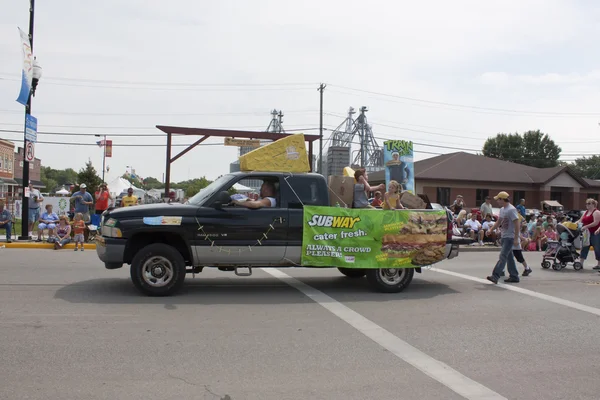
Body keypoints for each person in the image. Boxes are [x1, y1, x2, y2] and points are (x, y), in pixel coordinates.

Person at [486, 191, 521, 284]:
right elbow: (499, 221)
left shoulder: (511, 209)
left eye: (498, 199)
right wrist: (491, 230)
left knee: (503, 256)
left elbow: (517, 223)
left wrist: (516, 238)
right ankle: (514, 276)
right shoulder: (502, 209)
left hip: (510, 237)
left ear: (502, 199)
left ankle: (495, 276)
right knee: (509, 257)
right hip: (504, 236)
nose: (497, 201)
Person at [577, 198, 600, 270]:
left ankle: (599, 264)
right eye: (587, 203)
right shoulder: (585, 212)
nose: (587, 205)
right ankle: (581, 263)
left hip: (595, 232)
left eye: (589, 203)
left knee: (597, 248)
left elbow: (596, 222)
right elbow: (580, 220)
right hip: (586, 233)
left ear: (593, 204)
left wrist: (586, 226)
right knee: (584, 247)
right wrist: (573, 224)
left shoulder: (596, 212)